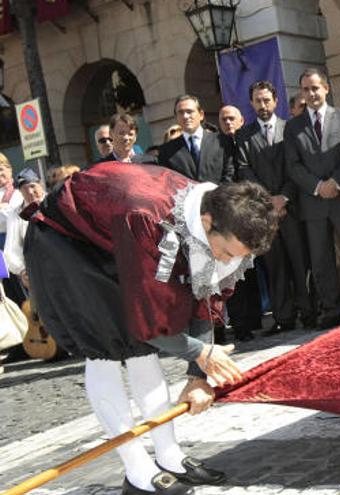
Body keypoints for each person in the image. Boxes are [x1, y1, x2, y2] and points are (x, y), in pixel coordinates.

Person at [24, 163, 278, 494]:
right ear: (207, 224)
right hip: (63, 242)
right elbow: (146, 323)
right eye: (227, 253)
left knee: (142, 352)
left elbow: (200, 293)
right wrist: (201, 352)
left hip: (109, 236)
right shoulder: (148, 219)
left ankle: (169, 456)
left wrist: (197, 374)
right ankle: (137, 469)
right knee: (107, 351)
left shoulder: (213, 212)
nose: (228, 262)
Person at [285, 68, 340, 329]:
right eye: (306, 90)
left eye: (315, 88)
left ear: (326, 88)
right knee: (321, 260)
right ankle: (331, 309)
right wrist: (318, 186)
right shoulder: (293, 126)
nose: (311, 94)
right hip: (313, 202)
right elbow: (293, 165)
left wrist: (335, 182)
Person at [235, 81, 315, 337]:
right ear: (251, 104)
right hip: (264, 213)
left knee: (300, 262)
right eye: (258, 101)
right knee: (275, 265)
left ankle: (309, 311)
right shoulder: (244, 136)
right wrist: (268, 201)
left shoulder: (289, 128)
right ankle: (284, 317)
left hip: (291, 208)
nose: (263, 105)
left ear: (276, 101)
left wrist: (284, 198)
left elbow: (296, 165)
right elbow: (244, 170)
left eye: (266, 100)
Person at [158, 95, 234, 184]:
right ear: (176, 117)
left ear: (201, 115)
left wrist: (215, 195)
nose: (185, 116)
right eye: (180, 112)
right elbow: (168, 183)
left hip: (219, 196)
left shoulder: (222, 141)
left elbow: (230, 174)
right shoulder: (167, 150)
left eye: (189, 111)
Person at [3, 169, 45, 289]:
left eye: (32, 186)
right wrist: (22, 271)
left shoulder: (53, 203)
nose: (30, 192)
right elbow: (11, 248)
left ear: (40, 184)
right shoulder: (15, 213)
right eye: (24, 189)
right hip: (34, 270)